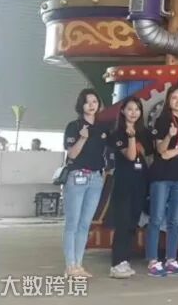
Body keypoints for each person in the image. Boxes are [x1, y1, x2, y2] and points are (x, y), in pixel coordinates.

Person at [146, 85, 178, 277]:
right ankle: (153, 261)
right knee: (156, 218)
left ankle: (171, 260)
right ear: (168, 100)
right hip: (161, 176)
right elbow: (160, 150)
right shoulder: (161, 121)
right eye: (174, 97)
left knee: (175, 220)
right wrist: (170, 135)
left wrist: (175, 152)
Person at [61, 88, 108, 278]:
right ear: (81, 105)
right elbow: (72, 154)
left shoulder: (103, 128)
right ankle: (70, 266)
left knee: (85, 223)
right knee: (72, 223)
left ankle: (79, 265)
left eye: (95, 102)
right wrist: (82, 137)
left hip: (96, 178)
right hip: (77, 177)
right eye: (88, 102)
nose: (91, 105)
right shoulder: (74, 126)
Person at [108, 96, 151, 279]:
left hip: (139, 182)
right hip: (124, 183)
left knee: (133, 223)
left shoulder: (145, 133)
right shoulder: (117, 133)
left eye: (137, 109)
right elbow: (131, 156)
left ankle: (125, 260)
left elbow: (148, 155)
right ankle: (116, 263)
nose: (134, 113)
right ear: (123, 111)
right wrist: (131, 138)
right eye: (130, 109)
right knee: (123, 223)